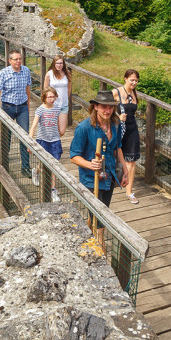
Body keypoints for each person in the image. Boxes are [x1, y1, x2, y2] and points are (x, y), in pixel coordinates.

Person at [69, 90, 124, 251]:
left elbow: (118, 147)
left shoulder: (115, 124)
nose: (107, 111)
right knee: (100, 216)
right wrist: (89, 164)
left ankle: (86, 231)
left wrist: (125, 170)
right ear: (96, 107)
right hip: (91, 178)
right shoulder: (84, 128)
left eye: (110, 107)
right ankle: (101, 249)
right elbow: (73, 156)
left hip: (110, 175)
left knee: (102, 209)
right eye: (104, 107)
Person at [0, 50, 32, 172]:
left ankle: (25, 167)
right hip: (7, 108)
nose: (18, 61)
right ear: (10, 60)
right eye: (15, 59)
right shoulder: (3, 73)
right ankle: (5, 164)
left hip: (22, 107)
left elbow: (28, 89)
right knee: (6, 137)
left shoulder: (26, 71)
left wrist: (28, 106)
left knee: (25, 137)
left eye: (20, 59)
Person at [29, 86, 66, 201]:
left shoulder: (57, 108)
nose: (51, 99)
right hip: (43, 140)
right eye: (49, 97)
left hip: (54, 140)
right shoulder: (40, 109)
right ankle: (36, 171)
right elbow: (34, 125)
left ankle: (52, 189)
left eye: (53, 97)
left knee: (54, 165)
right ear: (44, 98)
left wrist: (60, 133)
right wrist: (30, 141)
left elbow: (59, 123)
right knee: (45, 164)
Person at [115, 69, 141, 204]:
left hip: (132, 129)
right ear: (125, 79)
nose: (134, 82)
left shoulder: (135, 93)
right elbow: (101, 108)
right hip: (118, 128)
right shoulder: (116, 92)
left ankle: (129, 192)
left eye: (136, 80)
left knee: (131, 161)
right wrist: (117, 116)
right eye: (132, 80)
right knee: (114, 156)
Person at [45, 56, 72, 126]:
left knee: (62, 131)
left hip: (64, 105)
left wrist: (66, 98)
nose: (59, 65)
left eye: (61, 63)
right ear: (54, 64)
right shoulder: (49, 74)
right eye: (57, 63)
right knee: (53, 127)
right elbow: (45, 90)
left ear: (63, 64)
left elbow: (69, 88)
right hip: (53, 104)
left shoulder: (67, 74)